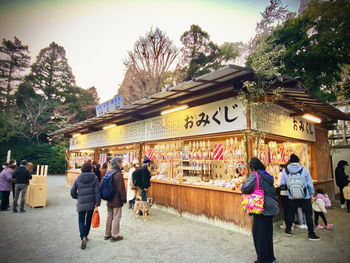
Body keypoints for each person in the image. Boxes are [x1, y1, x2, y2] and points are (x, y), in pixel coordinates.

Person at [241, 157, 279, 263]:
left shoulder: (255, 175)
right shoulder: (267, 175)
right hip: (271, 207)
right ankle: (270, 258)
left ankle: (262, 259)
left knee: (259, 234)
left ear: (253, 167)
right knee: (267, 234)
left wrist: (242, 185)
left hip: (261, 208)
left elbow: (246, 189)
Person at [281, 154, 320, 240]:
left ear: (290, 161)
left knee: (291, 213)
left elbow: (282, 184)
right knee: (308, 215)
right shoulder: (304, 171)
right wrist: (311, 194)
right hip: (305, 197)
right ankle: (311, 233)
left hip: (292, 197)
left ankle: (288, 230)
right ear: (298, 161)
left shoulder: (285, 172)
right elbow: (310, 184)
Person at [70, 162, 101, 249]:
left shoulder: (78, 178)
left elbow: (72, 191)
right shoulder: (94, 178)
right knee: (88, 219)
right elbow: (97, 191)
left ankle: (82, 236)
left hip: (81, 202)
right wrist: (97, 202)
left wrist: (77, 196)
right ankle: (86, 235)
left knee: (81, 220)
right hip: (91, 202)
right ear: (91, 169)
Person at [104, 156, 126, 242]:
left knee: (109, 216)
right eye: (121, 162)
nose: (121, 164)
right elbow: (121, 188)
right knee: (117, 217)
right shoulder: (118, 174)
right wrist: (123, 199)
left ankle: (107, 234)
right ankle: (115, 235)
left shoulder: (108, 172)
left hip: (109, 197)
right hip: (116, 199)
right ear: (117, 163)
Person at [278, 164, 288, 229]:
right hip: (291, 192)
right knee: (290, 209)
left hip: (284, 192)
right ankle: (291, 223)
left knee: (286, 209)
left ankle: (286, 224)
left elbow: (280, 183)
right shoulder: (291, 172)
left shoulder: (282, 173)